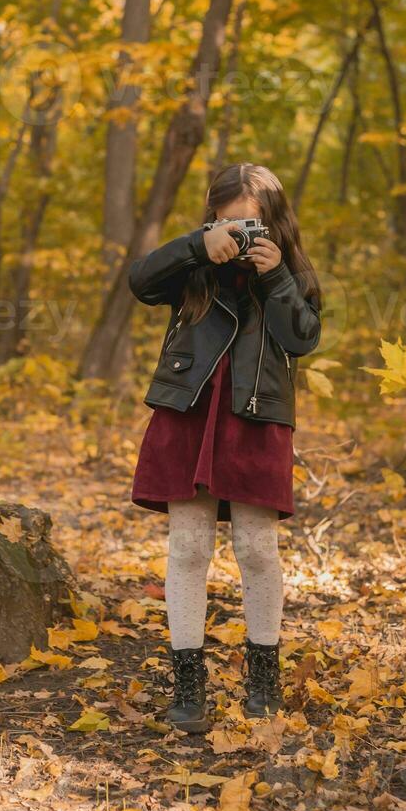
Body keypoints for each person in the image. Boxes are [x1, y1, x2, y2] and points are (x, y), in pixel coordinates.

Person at [127, 162, 322, 733]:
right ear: (213, 215)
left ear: (273, 224)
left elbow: (302, 338)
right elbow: (140, 282)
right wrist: (196, 245)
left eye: (252, 225)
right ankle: (188, 685)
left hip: (256, 417)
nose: (241, 236)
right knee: (188, 547)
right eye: (229, 222)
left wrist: (276, 276)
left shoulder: (290, 272)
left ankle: (263, 680)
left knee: (257, 548)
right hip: (188, 411)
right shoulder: (192, 267)